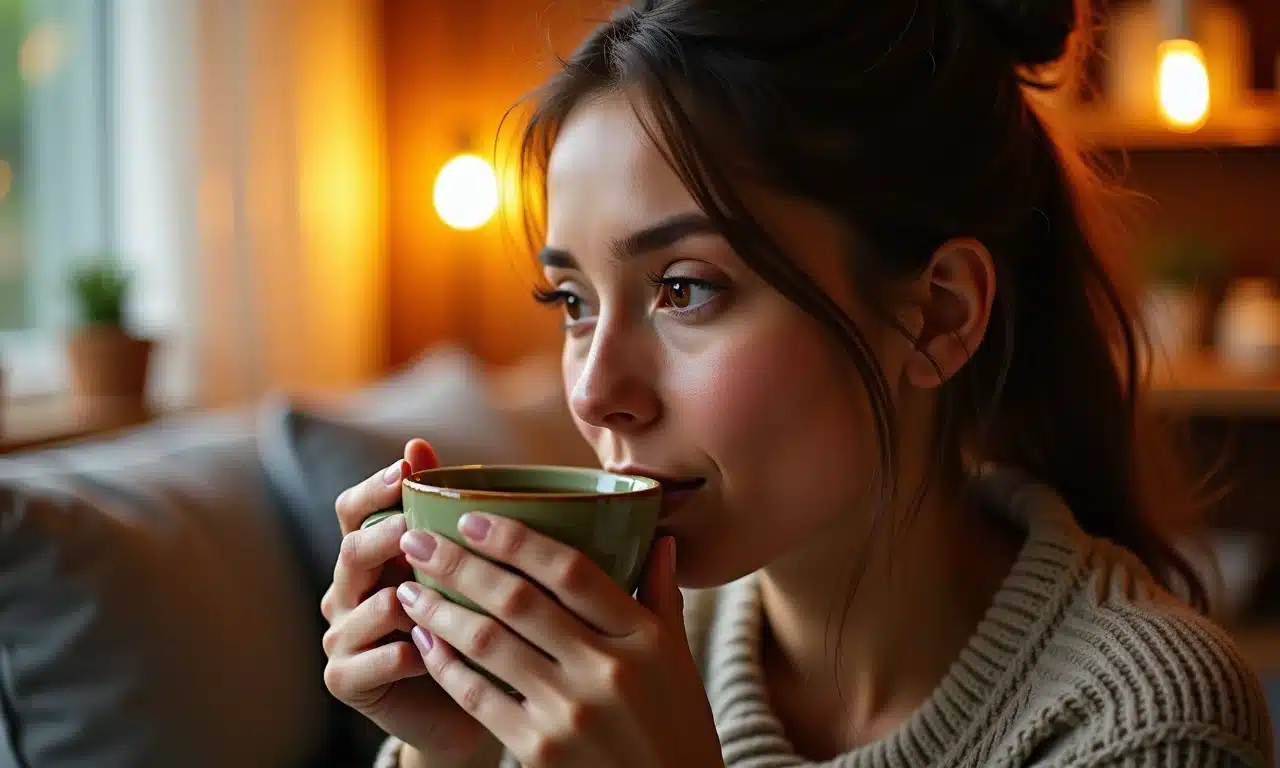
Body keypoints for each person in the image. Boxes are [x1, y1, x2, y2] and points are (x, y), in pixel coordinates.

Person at [320, 0, 1277, 765]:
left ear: (937, 315)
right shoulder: (609, 664)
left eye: (684, 288)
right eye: (570, 301)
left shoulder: (1149, 726)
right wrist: (454, 754)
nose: (595, 389)